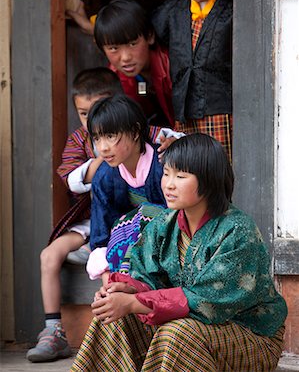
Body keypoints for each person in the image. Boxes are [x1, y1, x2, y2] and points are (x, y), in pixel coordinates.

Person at [71, 133, 287, 372]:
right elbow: (145, 277)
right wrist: (125, 290)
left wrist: (134, 302)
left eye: (181, 176)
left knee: (177, 331)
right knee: (113, 319)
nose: (169, 184)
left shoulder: (237, 230)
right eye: (166, 174)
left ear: (209, 181)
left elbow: (207, 303)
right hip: (190, 327)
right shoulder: (164, 224)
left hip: (250, 335)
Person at [26, 67, 123, 363]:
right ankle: (54, 330)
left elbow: (163, 140)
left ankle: (118, 334)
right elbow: (70, 178)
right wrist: (97, 161)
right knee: (49, 255)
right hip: (88, 217)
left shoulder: (129, 132)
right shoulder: (79, 140)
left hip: (125, 219)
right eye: (83, 113)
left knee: (114, 255)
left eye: (97, 110)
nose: (90, 119)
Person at [152, 0, 233, 161]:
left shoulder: (233, 11)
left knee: (221, 176)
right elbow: (143, 30)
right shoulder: (174, 10)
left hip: (222, 116)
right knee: (192, 175)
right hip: (184, 116)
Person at [85, 94, 169, 287]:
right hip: (127, 261)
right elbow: (101, 237)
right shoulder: (104, 176)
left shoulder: (163, 165)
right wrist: (109, 281)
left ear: (135, 131)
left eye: (111, 136)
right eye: (97, 138)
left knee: (145, 215)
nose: (103, 148)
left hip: (169, 249)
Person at [68, 0, 174, 127]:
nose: (125, 58)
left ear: (150, 36)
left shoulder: (172, 65)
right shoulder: (115, 76)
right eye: (113, 48)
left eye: (132, 44)